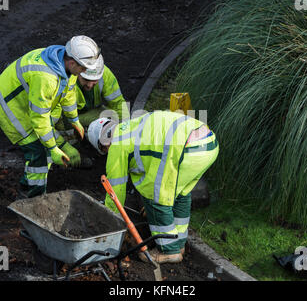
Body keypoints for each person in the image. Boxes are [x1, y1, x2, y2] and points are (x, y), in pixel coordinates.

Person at [87, 110, 219, 264]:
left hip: (185, 150)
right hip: (208, 145)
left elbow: (115, 191)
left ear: (103, 145)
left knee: (155, 196)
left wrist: (110, 219)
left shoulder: (116, 146)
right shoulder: (133, 125)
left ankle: (170, 251)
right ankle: (179, 244)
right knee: (181, 195)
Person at [0, 35, 102, 199]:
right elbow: (39, 120)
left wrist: (74, 120)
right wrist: (54, 148)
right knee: (38, 153)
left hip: (25, 101)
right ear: (72, 62)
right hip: (9, 106)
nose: (85, 72)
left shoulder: (65, 63)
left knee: (43, 147)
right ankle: (33, 200)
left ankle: (28, 185)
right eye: (84, 68)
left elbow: (68, 93)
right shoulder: (46, 78)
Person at [51, 54, 129, 140]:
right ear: (79, 71)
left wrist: (126, 133)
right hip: (65, 119)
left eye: (94, 81)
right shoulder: (64, 80)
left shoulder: (105, 74)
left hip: (88, 112)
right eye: (86, 79)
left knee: (113, 116)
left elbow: (118, 103)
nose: (89, 85)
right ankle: (72, 135)